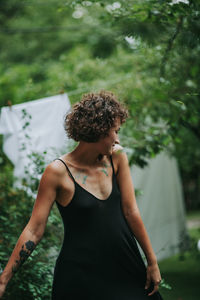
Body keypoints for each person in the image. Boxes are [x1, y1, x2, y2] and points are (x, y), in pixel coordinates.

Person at [0, 91, 163, 299]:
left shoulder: (118, 157)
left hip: (125, 265)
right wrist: (3, 279)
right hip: (80, 277)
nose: (117, 138)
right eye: (114, 131)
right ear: (98, 131)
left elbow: (131, 211)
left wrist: (152, 261)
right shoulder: (57, 172)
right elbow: (34, 230)